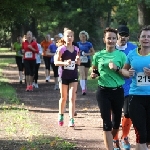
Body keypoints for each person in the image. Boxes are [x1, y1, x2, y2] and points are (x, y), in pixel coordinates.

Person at [90, 27, 126, 150]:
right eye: (109, 38)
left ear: (117, 40)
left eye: (113, 38)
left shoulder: (121, 56)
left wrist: (116, 68)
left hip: (118, 91)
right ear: (104, 39)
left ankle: (110, 139)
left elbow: (125, 74)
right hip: (103, 91)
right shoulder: (98, 55)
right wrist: (94, 74)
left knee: (116, 124)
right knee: (107, 123)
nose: (111, 40)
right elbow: (95, 69)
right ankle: (109, 147)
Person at [121, 25, 150, 150]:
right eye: (143, 36)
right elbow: (124, 70)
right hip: (135, 97)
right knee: (141, 135)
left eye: (149, 36)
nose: (146, 39)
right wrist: (128, 73)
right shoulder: (132, 54)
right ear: (139, 38)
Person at [113, 25, 137, 150]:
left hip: (129, 87)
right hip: (113, 86)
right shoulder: (111, 48)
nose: (123, 37)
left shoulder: (134, 48)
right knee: (115, 114)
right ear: (117, 34)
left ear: (129, 36)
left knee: (128, 113)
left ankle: (125, 136)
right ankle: (115, 138)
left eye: (125, 35)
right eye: (121, 35)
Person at [54, 29, 80, 127]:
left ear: (73, 38)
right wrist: (65, 63)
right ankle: (61, 115)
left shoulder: (76, 49)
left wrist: (77, 60)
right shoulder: (61, 49)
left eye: (71, 36)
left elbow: (79, 63)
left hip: (73, 75)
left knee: (72, 98)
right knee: (64, 97)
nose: (69, 38)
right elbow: (56, 62)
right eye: (67, 36)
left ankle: (71, 119)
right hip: (64, 75)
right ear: (64, 38)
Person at [77, 31, 95, 95]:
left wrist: (87, 54)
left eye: (84, 37)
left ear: (86, 37)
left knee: (85, 75)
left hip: (87, 60)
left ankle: (84, 86)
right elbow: (75, 52)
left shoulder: (89, 44)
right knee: (82, 74)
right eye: (81, 37)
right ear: (80, 37)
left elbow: (93, 52)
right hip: (80, 60)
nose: (83, 38)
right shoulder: (77, 44)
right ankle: (83, 89)